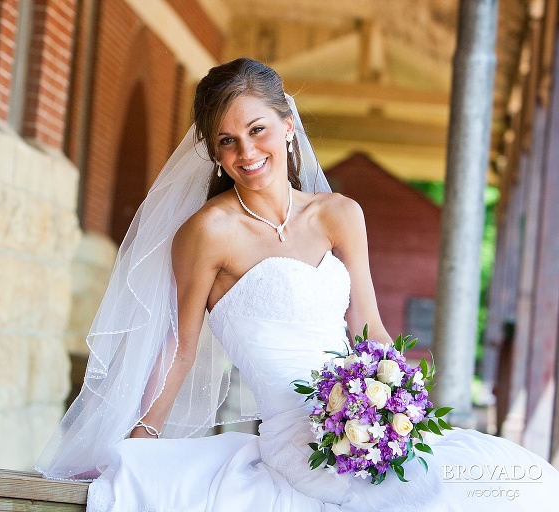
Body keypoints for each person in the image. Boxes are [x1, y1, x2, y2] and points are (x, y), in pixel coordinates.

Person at [35, 57, 559, 511]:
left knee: (515, 482)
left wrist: (400, 410)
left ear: (288, 124)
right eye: (227, 141)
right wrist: (137, 443)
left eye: (257, 129)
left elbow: (369, 326)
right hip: (297, 440)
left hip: (367, 424)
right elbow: (180, 350)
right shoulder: (207, 233)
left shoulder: (340, 214)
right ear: (215, 153)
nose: (246, 152)